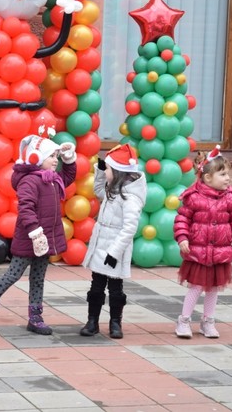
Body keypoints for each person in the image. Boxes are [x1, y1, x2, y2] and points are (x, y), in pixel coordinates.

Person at [0, 131, 77, 335]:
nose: (55, 161)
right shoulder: (30, 181)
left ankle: (35, 317)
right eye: (51, 156)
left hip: (45, 241)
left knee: (38, 278)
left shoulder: (52, 179)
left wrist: (68, 157)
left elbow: (70, 176)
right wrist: (35, 233)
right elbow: (26, 208)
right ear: (36, 158)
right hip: (30, 239)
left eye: (56, 157)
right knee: (13, 275)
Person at [174, 146, 232, 339]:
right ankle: (184, 320)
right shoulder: (193, 198)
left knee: (214, 287)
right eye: (222, 174)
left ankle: (208, 321)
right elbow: (182, 220)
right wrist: (182, 238)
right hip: (198, 252)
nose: (227, 178)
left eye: (227, 174)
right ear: (208, 178)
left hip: (219, 253)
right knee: (196, 286)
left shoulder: (230, 199)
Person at [80, 144, 146, 339]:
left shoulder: (130, 198)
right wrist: (100, 171)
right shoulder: (112, 190)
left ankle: (115, 322)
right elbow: (98, 189)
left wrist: (114, 253)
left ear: (117, 172)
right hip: (101, 246)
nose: (106, 171)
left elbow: (129, 229)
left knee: (116, 289)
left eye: (108, 168)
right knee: (96, 286)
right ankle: (92, 321)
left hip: (114, 251)